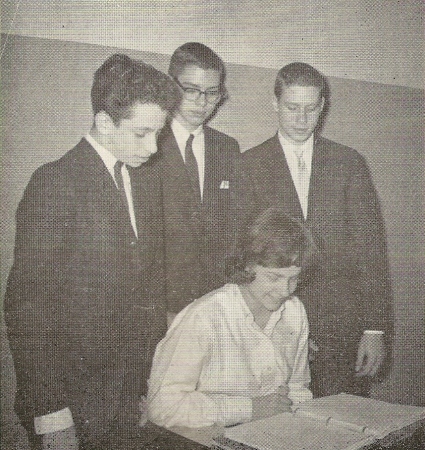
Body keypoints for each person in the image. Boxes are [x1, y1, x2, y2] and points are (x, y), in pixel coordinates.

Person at [4, 54, 180, 450]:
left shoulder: (142, 179)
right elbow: (28, 309)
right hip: (70, 401)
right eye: (141, 133)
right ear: (104, 122)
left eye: (159, 132)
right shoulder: (55, 183)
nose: (153, 147)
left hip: (124, 394)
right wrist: (50, 414)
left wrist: (145, 384)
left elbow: (147, 291)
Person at [240, 62, 393, 398]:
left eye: (311, 109)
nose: (301, 119)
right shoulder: (248, 165)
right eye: (292, 107)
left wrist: (374, 329)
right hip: (275, 325)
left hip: (342, 330)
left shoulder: (349, 162)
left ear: (322, 106)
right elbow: (245, 259)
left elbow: (371, 250)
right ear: (275, 103)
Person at [148, 208, 313, 429]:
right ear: (247, 265)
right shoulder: (204, 317)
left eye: (294, 279)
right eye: (274, 277)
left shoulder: (294, 311)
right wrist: (251, 409)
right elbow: (162, 407)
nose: (285, 290)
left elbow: (297, 388)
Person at [152, 42, 241, 321]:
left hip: (213, 304)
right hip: (158, 305)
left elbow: (232, 230)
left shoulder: (227, 148)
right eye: (191, 90)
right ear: (170, 85)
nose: (202, 102)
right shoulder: (147, 142)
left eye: (212, 93)